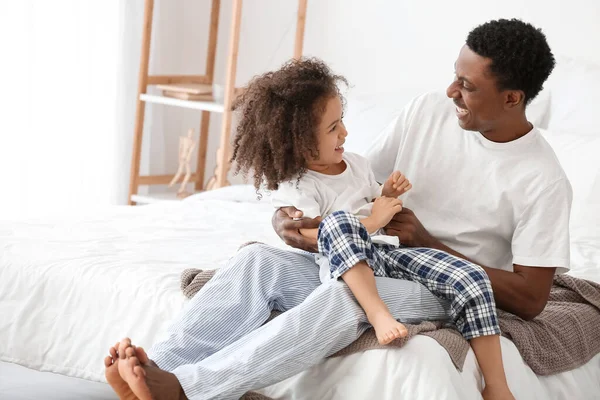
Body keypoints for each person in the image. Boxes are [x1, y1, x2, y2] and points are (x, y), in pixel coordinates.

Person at [105, 18, 570, 400]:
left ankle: (188, 390)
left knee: (345, 298)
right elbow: (351, 181)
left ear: (512, 98)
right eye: (454, 75)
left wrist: (428, 242)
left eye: (466, 86)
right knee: (256, 262)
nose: (450, 90)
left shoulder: (541, 179)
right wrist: (292, 219)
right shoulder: (428, 112)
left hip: (442, 287)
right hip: (373, 258)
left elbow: (531, 300)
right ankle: (156, 368)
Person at [229, 57, 513, 399]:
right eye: (333, 128)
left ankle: (497, 386)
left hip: (387, 253)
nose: (345, 133)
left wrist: (387, 195)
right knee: (339, 223)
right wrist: (373, 220)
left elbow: (371, 200)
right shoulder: (299, 186)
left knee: (471, 275)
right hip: (346, 268)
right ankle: (378, 315)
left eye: (342, 122)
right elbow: (311, 234)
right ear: (301, 143)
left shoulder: (357, 164)